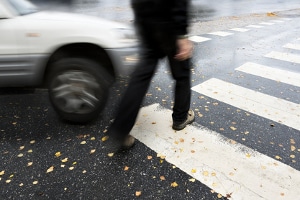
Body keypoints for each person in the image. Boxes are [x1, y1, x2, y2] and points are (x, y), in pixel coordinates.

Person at [106, 0, 194, 152]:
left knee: (141, 77)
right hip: (168, 21)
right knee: (182, 73)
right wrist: (182, 34)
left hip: (145, 20)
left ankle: (120, 129)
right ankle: (180, 118)